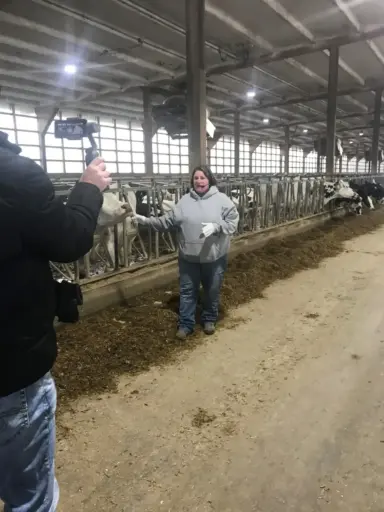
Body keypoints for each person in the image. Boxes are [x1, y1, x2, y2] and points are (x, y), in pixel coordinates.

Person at [0, 130, 111, 511]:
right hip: (11, 372)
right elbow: (70, 239)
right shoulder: (12, 173)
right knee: (30, 498)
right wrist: (89, 188)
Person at [135, 165, 239, 340]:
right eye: (196, 178)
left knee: (212, 290)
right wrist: (145, 220)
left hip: (214, 257)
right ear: (192, 181)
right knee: (188, 291)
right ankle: (186, 324)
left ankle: (209, 319)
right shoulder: (184, 201)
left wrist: (217, 226)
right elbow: (166, 221)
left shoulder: (222, 200)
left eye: (203, 178)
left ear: (209, 180)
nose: (199, 181)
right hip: (189, 257)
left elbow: (233, 222)